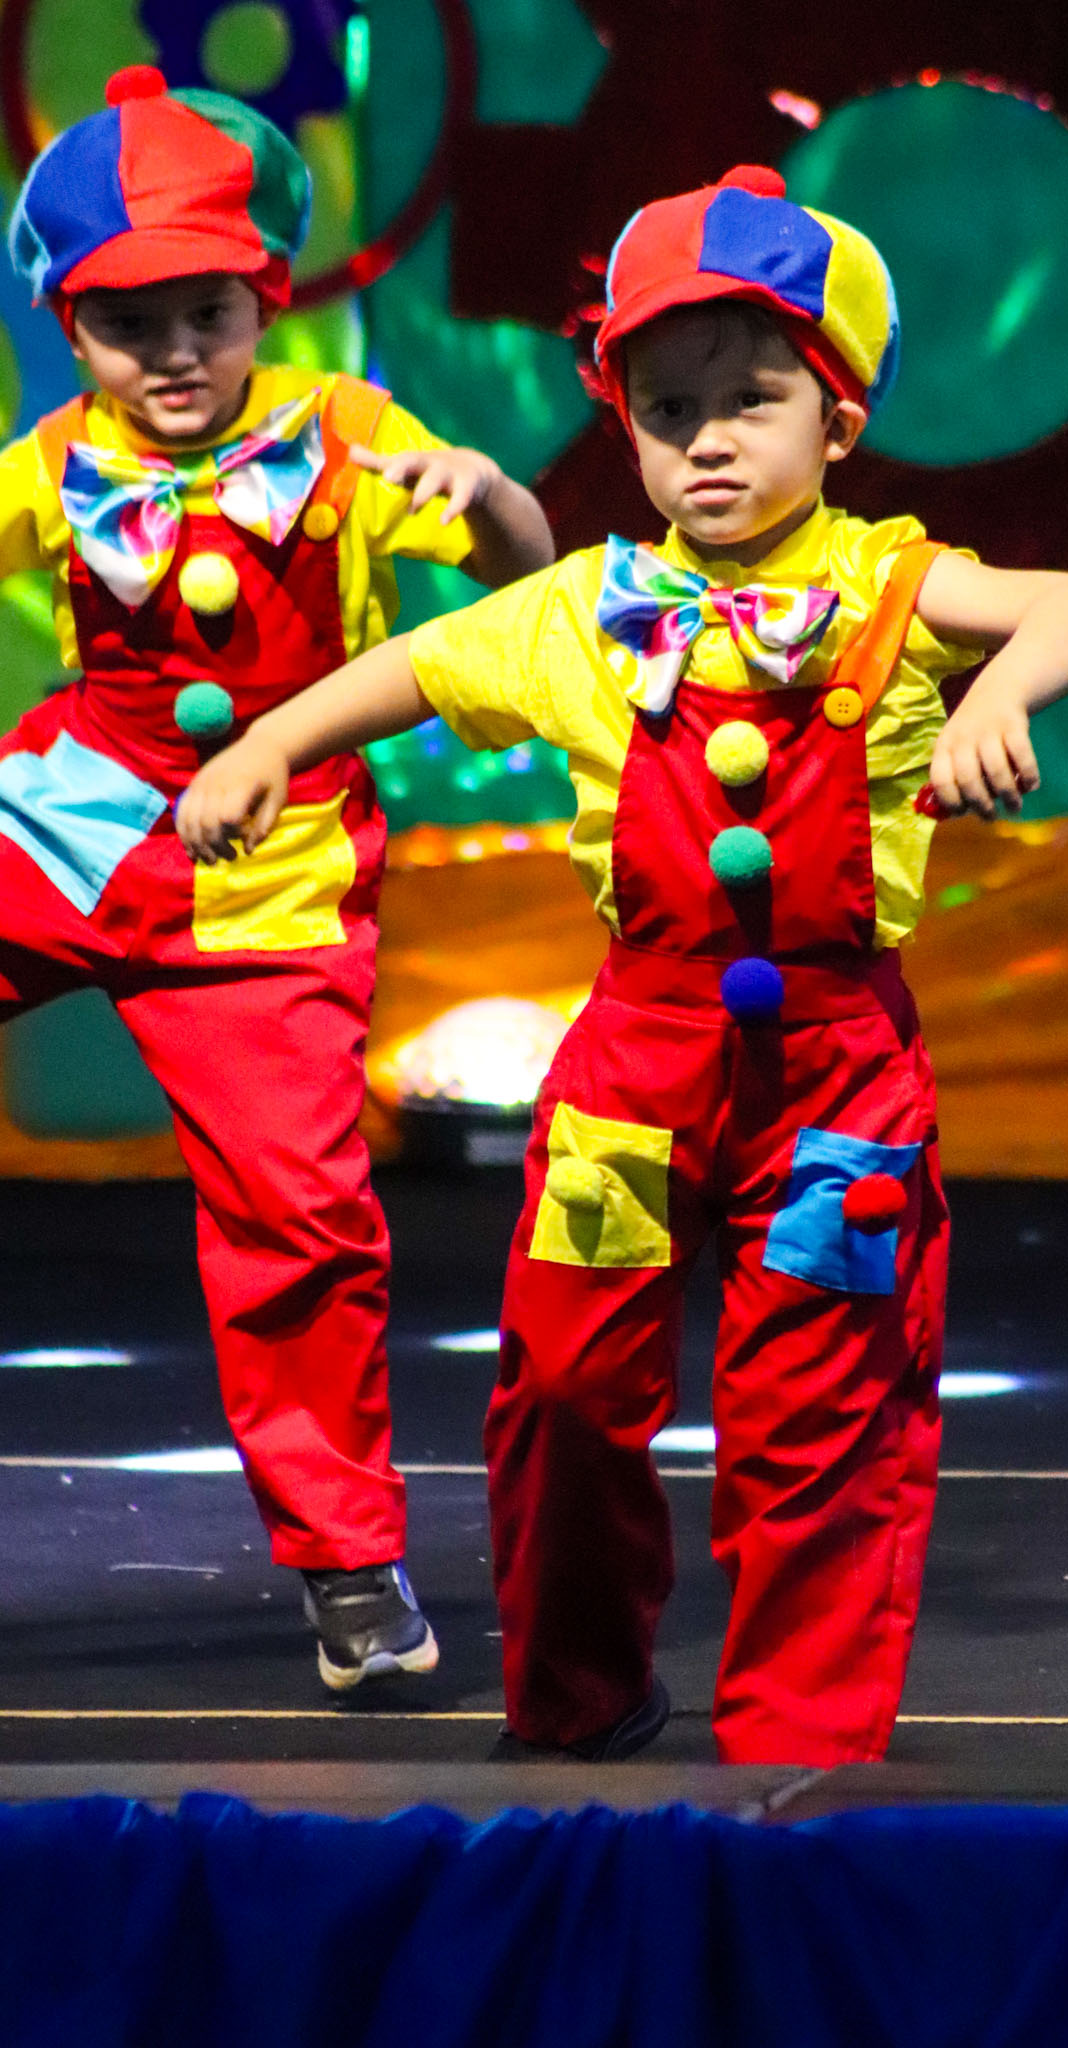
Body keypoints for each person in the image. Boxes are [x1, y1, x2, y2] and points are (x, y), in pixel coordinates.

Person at [175, 164, 1068, 1762]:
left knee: (816, 1407)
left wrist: (996, 694)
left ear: (836, 421)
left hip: (831, 1082)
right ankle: (581, 1695)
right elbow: (413, 665)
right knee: (560, 1386)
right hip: (632, 1066)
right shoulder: (588, 608)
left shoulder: (892, 587)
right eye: (667, 406)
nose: (707, 440)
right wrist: (269, 741)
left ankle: (797, 1740)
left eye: (751, 400)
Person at [0, 67, 553, 1692]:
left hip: (270, 875)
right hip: (70, 824)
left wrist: (491, 497)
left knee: (298, 1225)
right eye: (130, 323)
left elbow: (533, 592)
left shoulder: (347, 436)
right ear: (70, 329)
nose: (175, 352)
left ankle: (349, 1565)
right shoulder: (49, 462)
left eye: (209, 313)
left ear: (264, 301)